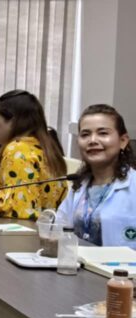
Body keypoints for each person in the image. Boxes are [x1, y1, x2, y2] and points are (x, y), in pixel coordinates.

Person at [0, 90, 67, 219]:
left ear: (14, 122)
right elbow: (12, 192)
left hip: (24, 229)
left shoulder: (18, 150)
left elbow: (18, 208)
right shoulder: (45, 146)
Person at [57, 104, 136, 246]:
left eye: (103, 133)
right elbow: (59, 229)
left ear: (123, 141)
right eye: (85, 135)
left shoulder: (133, 185)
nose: (92, 140)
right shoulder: (79, 186)